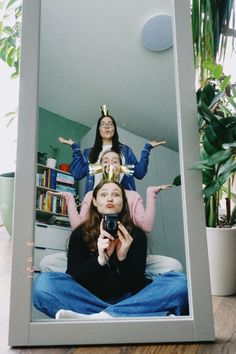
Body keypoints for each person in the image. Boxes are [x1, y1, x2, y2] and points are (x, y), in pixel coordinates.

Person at [33, 180, 188, 319]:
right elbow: (74, 277)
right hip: (87, 297)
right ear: (94, 201)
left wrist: (122, 257)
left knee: (180, 283)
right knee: (43, 284)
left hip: (130, 299)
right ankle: (125, 315)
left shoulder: (135, 235)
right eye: (103, 194)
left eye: (116, 195)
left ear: (123, 202)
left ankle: (99, 317)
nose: (110, 198)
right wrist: (100, 259)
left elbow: (135, 285)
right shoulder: (80, 233)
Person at [40, 150, 183, 276]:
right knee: (48, 263)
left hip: (128, 250)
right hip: (94, 251)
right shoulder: (91, 195)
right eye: (105, 161)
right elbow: (79, 227)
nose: (110, 199)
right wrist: (69, 198)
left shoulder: (132, 196)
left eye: (115, 161)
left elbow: (146, 227)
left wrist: (151, 194)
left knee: (174, 266)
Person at [58, 104, 166, 193]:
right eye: (103, 124)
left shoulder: (125, 150)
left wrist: (147, 149)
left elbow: (139, 173)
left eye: (110, 124)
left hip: (123, 203)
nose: (107, 126)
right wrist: (75, 148)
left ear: (114, 129)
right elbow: (77, 174)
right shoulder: (89, 152)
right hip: (96, 204)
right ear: (98, 129)